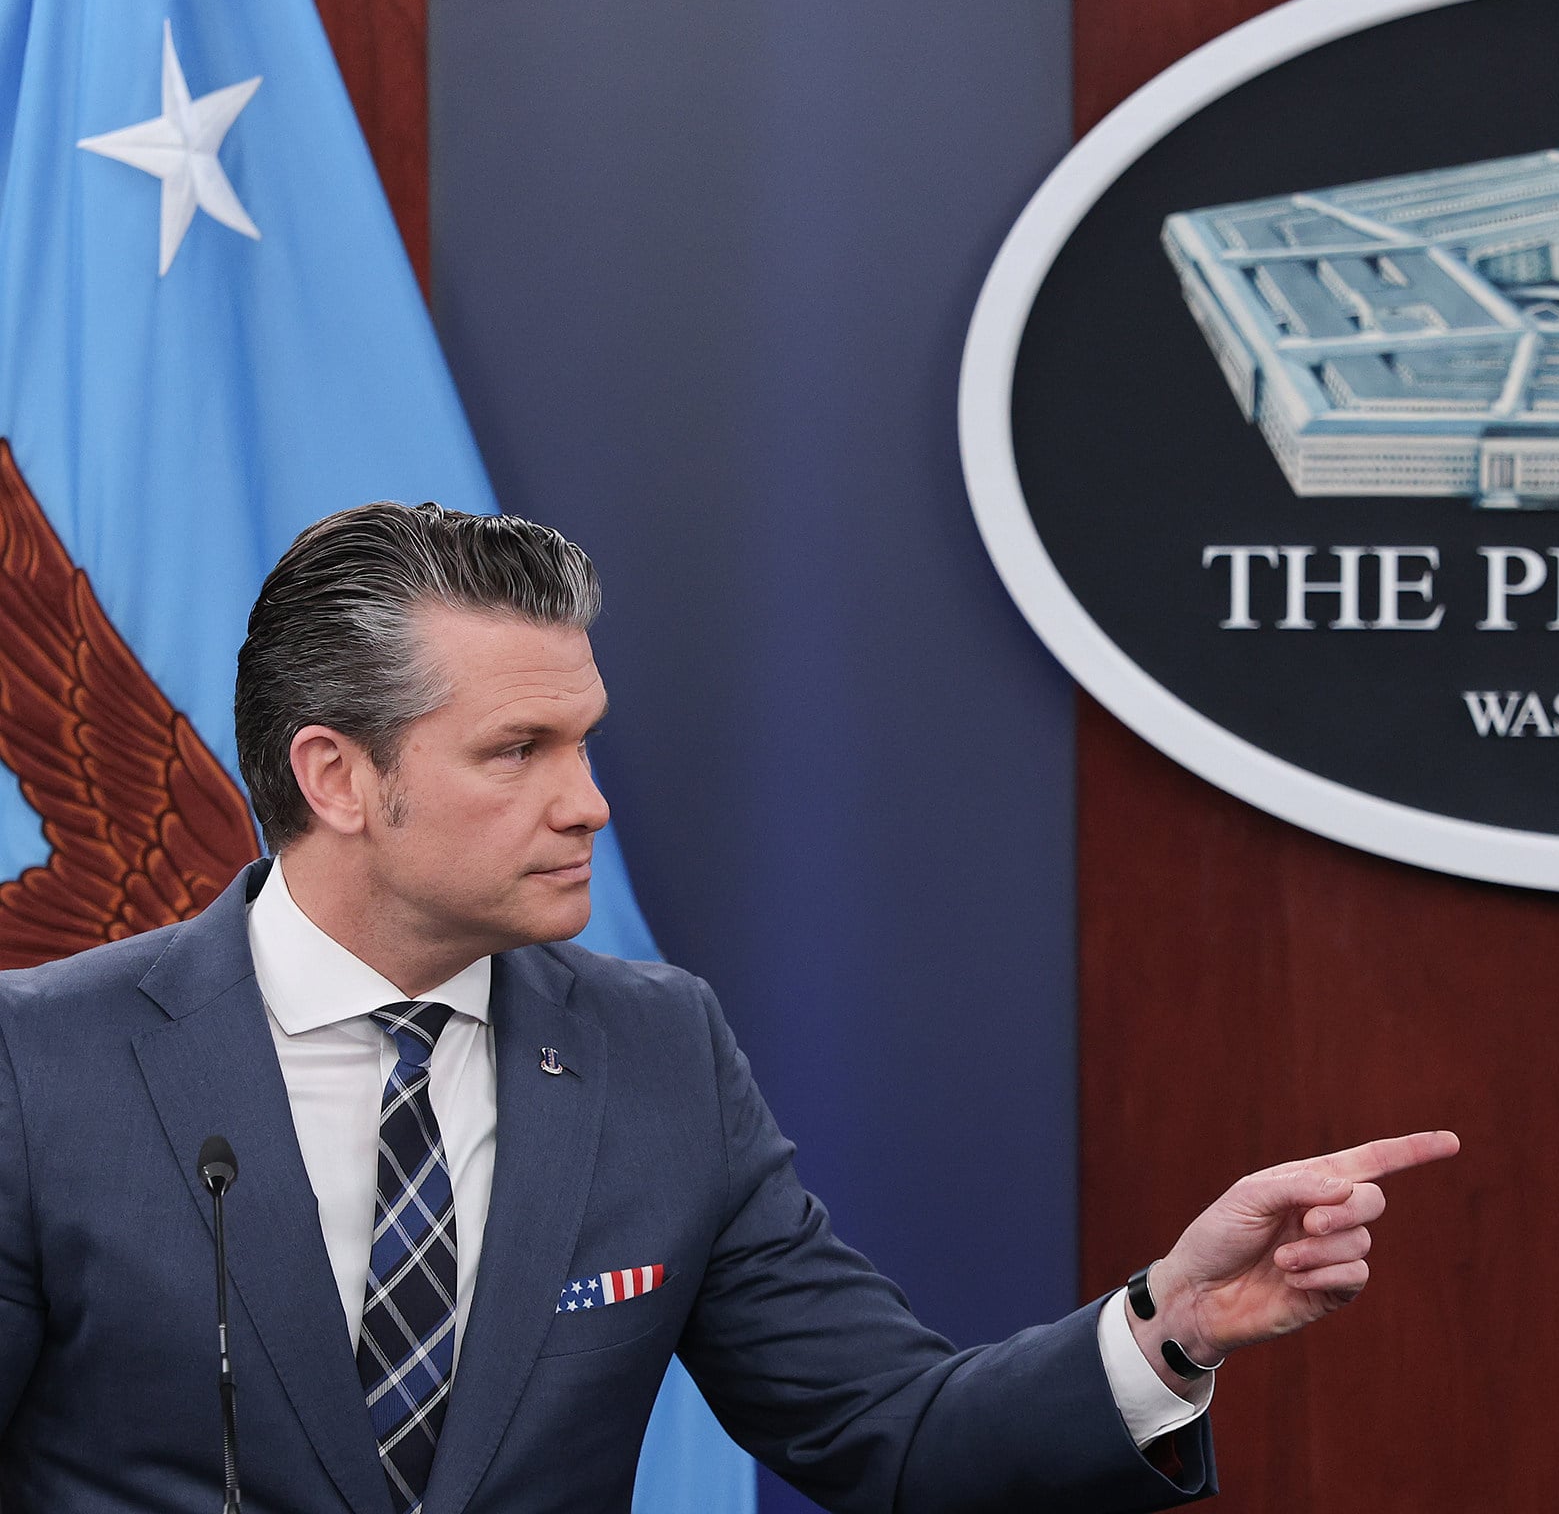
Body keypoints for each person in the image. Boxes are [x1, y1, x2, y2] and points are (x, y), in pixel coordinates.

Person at [0, 502, 1458, 1513]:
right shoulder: (40, 1067)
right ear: (336, 778)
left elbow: (893, 1441)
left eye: (583, 742)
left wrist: (1172, 1322)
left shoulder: (652, 1049)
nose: (588, 802)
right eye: (518, 751)